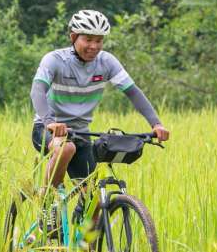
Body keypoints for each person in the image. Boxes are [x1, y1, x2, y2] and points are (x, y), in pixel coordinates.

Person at [31, 10, 170, 192]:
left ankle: (92, 218)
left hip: (81, 134)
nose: (94, 46)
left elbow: (133, 92)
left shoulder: (106, 62)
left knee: (94, 201)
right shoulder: (55, 60)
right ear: (73, 37)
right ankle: (47, 202)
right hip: (47, 129)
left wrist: (156, 124)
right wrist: (50, 122)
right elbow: (37, 90)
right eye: (88, 39)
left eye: (99, 40)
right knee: (65, 148)